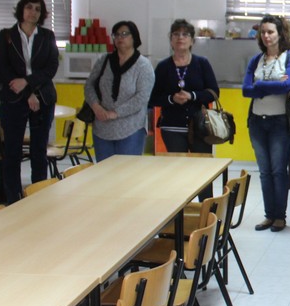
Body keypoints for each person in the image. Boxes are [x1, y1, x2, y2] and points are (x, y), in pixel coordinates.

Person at [0, 0, 60, 203]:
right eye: (29, 7)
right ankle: (13, 200)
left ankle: (38, 198)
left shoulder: (47, 36)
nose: (33, 12)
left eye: (38, 9)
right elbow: (2, 68)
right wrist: (26, 91)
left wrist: (28, 83)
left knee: (39, 151)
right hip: (13, 99)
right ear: (21, 9)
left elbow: (51, 67)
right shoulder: (6, 35)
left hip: (43, 98)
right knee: (12, 152)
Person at [243, 14, 290, 232]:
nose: (266, 36)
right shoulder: (256, 60)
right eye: (263, 32)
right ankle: (269, 215)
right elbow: (246, 90)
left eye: (270, 32)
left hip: (281, 123)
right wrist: (273, 84)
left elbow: (288, 85)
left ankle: (279, 217)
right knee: (265, 172)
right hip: (257, 122)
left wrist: (259, 86)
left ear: (280, 34)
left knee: (278, 170)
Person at [150, 19, 220, 199]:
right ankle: (179, 212)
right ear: (171, 40)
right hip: (172, 127)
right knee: (177, 174)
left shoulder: (201, 63)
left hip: (200, 127)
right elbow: (153, 98)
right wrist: (171, 99)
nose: (180, 38)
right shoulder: (163, 66)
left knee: (203, 173)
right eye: (176, 34)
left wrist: (192, 96)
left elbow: (214, 92)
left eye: (185, 34)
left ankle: (207, 211)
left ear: (192, 40)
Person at [84, 20, 154, 161]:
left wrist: (115, 113)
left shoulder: (143, 65)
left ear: (134, 37)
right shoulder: (104, 60)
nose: (120, 37)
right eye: (116, 35)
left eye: (124, 34)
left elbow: (141, 97)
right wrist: (96, 107)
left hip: (131, 129)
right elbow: (89, 85)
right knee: (104, 172)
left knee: (127, 172)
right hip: (102, 128)